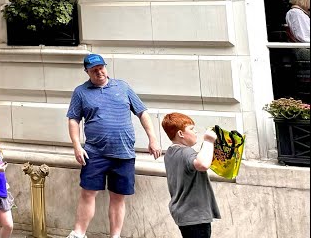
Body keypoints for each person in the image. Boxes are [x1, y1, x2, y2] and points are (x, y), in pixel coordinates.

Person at [65, 54, 161, 238]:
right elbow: (73, 120)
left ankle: (115, 236)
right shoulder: (80, 92)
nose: (99, 72)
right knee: (88, 193)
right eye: (94, 70)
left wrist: (153, 139)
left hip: (123, 152)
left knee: (118, 197)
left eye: (101, 67)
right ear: (87, 72)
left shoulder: (123, 87)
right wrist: (77, 146)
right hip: (94, 153)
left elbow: (142, 112)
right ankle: (78, 234)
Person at [161, 112, 220, 238]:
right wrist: (208, 141)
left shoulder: (170, 152)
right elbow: (203, 164)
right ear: (181, 134)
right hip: (195, 215)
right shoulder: (186, 152)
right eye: (192, 129)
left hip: (183, 214)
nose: (195, 132)